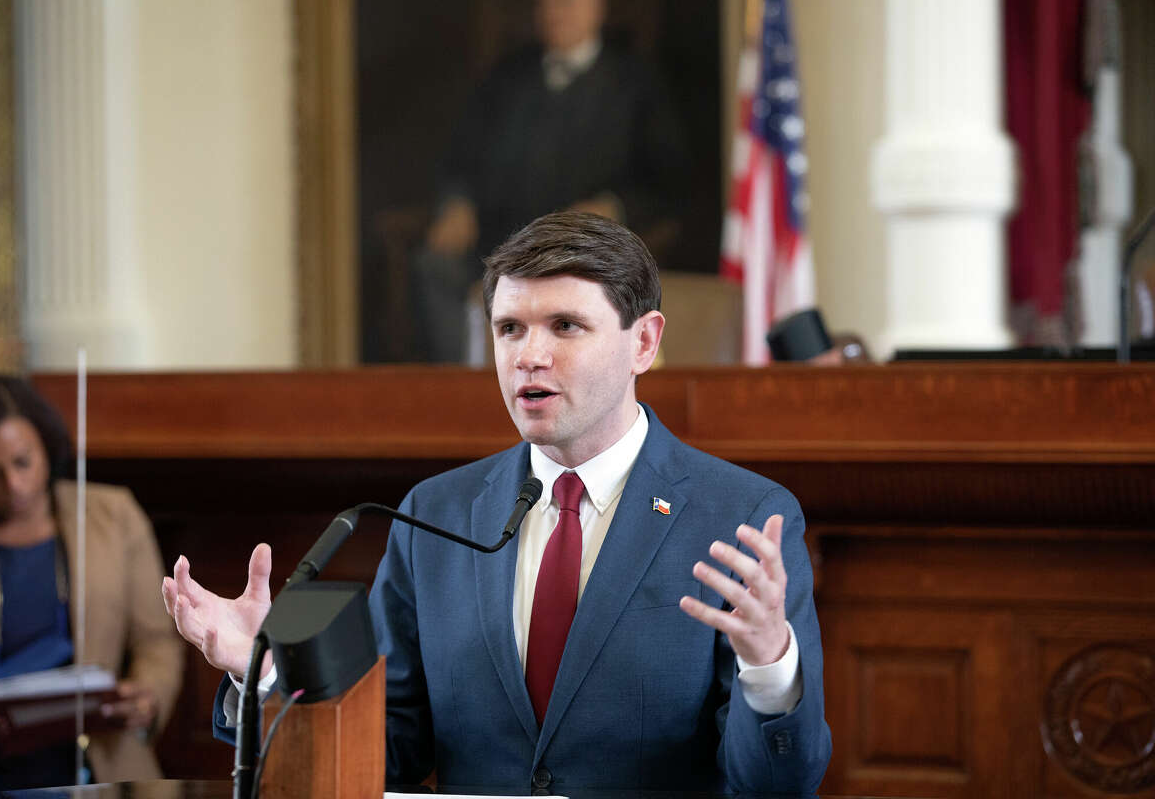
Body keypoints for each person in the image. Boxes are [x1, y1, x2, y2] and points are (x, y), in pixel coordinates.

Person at [166, 211, 830, 793]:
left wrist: (770, 667)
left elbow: (775, 787)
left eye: (565, 326)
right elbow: (386, 753)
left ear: (645, 342)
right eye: (510, 328)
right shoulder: (434, 515)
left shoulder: (740, 516)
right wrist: (272, 673)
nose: (529, 356)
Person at [411, 0, 689, 362]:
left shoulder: (635, 84)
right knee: (436, 267)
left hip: (582, 252)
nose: (557, 10)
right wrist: (457, 203)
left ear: (598, 9)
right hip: (496, 246)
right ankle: (471, 394)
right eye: (549, 2)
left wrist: (615, 205)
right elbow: (460, 160)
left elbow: (667, 182)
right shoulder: (507, 78)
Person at [0, 376, 183, 791]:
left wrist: (147, 697)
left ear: (46, 445)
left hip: (102, 764)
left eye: (23, 462)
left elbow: (157, 642)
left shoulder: (114, 516)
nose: (15, 485)